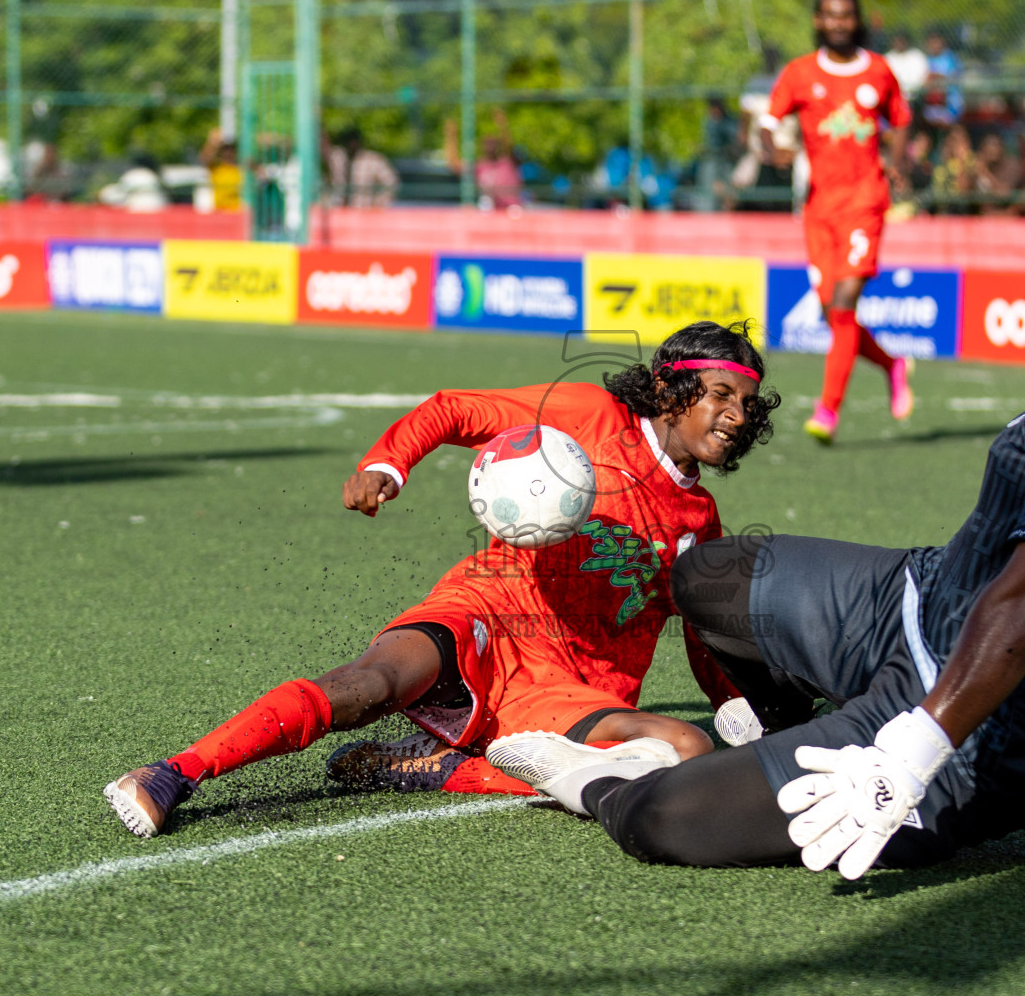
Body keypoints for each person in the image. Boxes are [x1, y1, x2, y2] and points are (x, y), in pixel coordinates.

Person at [484, 196, 1025, 879]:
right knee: (711, 576)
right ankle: (785, 728)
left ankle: (581, 776)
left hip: (993, 719)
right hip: (921, 600)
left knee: (664, 819)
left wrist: (912, 750)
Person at [103, 322, 780, 837]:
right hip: (489, 608)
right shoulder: (587, 416)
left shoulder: (702, 520)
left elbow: (703, 634)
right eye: (721, 394)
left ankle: (438, 767)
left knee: (684, 749)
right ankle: (175, 772)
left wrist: (738, 705)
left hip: (571, 688)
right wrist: (388, 465)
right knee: (371, 685)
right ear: (669, 390)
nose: (735, 414)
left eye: (747, 404)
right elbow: (454, 409)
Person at [759, 0, 915, 444]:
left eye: (846, 15)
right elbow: (767, 123)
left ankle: (827, 411)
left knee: (844, 304)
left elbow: (902, 120)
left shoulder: (879, 71)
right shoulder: (799, 73)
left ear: (856, 19)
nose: (838, 22)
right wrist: (772, 150)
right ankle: (892, 364)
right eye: (829, 14)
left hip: (865, 201)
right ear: (818, 20)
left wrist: (898, 162)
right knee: (834, 313)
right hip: (819, 209)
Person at [199, 129, 243, 213]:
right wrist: (212, 143)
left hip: (237, 212)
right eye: (225, 149)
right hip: (219, 211)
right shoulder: (216, 168)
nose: (228, 153)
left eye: (231, 149)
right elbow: (204, 159)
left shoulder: (241, 169)